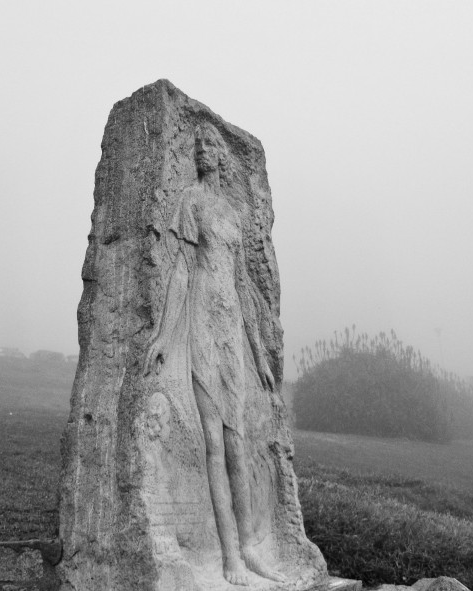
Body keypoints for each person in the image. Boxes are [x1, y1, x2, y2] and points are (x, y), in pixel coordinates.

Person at [144, 122, 284, 585]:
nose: (204, 150)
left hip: (230, 332)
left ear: (222, 156)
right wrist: (165, 336)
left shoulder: (232, 212)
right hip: (201, 322)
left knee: (237, 440)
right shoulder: (190, 202)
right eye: (198, 145)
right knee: (213, 440)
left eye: (211, 145)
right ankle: (227, 556)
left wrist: (260, 355)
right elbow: (182, 271)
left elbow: (243, 284)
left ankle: (249, 548)